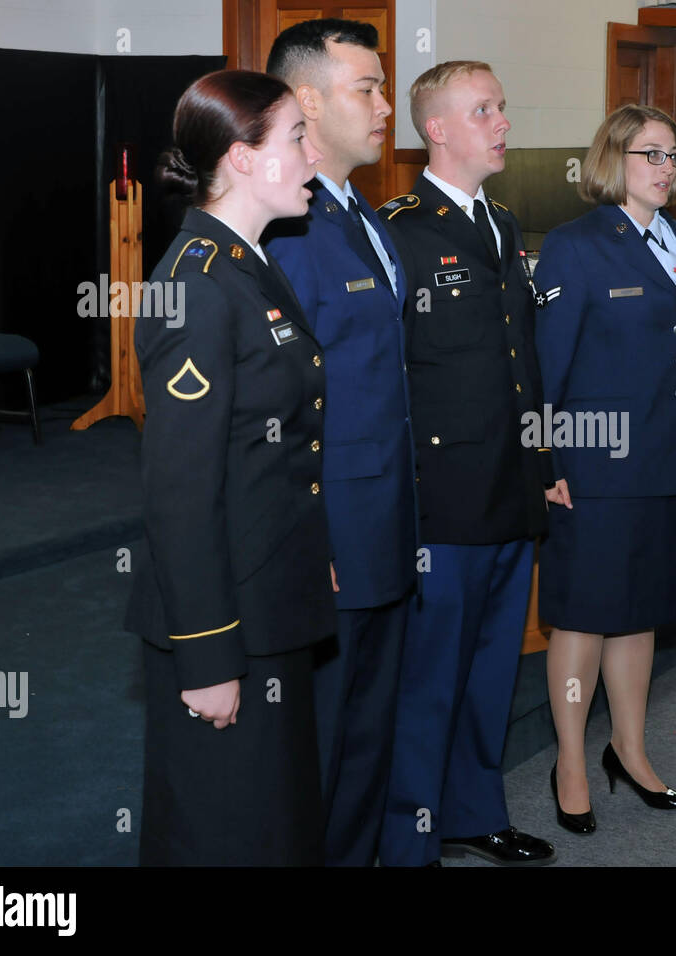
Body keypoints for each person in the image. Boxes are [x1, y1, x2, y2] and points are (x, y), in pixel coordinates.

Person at [124, 69, 332, 865]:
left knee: (272, 824)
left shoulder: (247, 262)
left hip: (270, 592)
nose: (312, 158)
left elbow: (275, 449)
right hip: (223, 619)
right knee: (222, 831)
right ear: (241, 159)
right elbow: (180, 493)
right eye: (294, 140)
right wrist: (207, 656)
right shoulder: (198, 286)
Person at [375, 61, 555, 866]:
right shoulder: (400, 231)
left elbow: (525, 359)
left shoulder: (503, 224)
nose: (503, 122)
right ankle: (411, 836)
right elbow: (383, 379)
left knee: (490, 673)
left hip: (511, 489)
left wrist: (545, 456)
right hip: (442, 499)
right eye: (483, 109)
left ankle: (474, 812)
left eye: (503, 106)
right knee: (429, 682)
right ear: (438, 130)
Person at [531, 105, 676, 833]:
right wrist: (544, 457)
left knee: (641, 611)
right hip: (595, 461)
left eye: (674, 156)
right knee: (584, 613)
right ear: (612, 159)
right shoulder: (576, 247)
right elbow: (548, 361)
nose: (667, 169)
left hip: (670, 454)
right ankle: (570, 759)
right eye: (651, 155)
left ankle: (629, 750)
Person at [263, 18, 416, 868]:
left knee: (366, 738)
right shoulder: (285, 230)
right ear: (309, 102)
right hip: (329, 536)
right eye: (368, 88)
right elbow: (278, 408)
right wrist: (303, 532)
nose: (386, 106)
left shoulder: (362, 213)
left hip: (385, 520)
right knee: (319, 746)